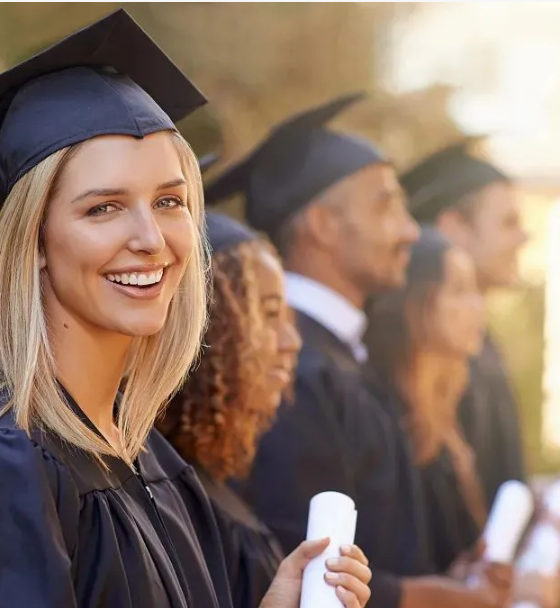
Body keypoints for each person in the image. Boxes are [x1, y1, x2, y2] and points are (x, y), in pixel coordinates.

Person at [0, 11, 371, 608]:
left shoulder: (146, 458)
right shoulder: (1, 472)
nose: (151, 239)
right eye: (103, 208)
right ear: (33, 244)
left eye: (169, 201)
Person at [207, 95, 507, 608]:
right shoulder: (295, 371)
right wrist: (435, 597)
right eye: (385, 205)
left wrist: (448, 582)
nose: (411, 230)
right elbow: (302, 559)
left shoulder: (344, 358)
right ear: (323, 225)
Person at [160, 211, 306, 608]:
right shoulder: (168, 501)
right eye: (268, 315)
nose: (291, 341)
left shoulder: (213, 482)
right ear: (208, 329)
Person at [401, 142, 530, 509]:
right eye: (509, 222)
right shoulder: (421, 360)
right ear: (453, 227)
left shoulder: (482, 345)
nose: (524, 237)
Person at [364, 227, 490, 577]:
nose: (478, 306)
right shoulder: (390, 418)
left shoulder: (447, 412)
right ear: (417, 303)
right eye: (460, 290)